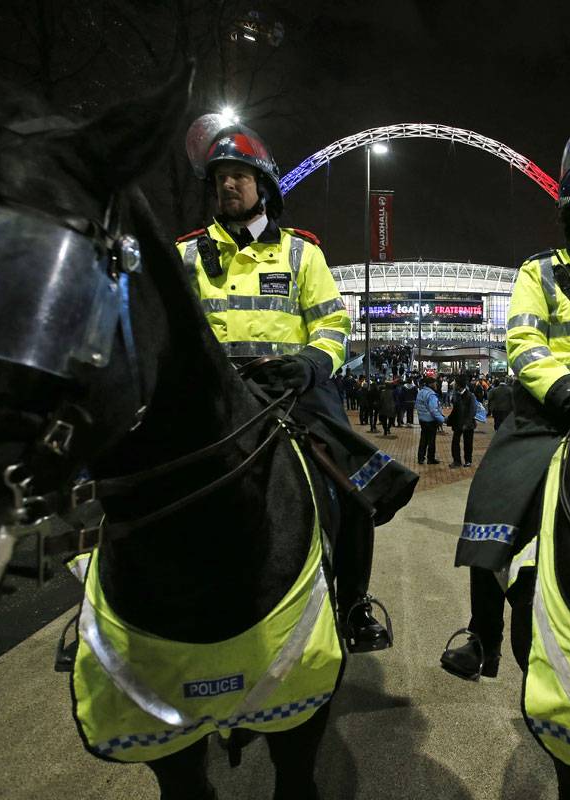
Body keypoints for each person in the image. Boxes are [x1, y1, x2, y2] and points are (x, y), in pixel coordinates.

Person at [177, 114, 417, 652]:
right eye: (220, 178)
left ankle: (355, 605)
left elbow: (333, 323)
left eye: (239, 175)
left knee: (354, 487)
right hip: (213, 400)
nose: (229, 185)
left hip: (291, 394)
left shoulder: (302, 252)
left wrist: (310, 364)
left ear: (263, 184)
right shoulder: (187, 253)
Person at [442, 125, 570, 680]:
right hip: (550, 413)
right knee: (491, 498)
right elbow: (524, 342)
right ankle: (483, 636)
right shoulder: (538, 270)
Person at [449, 375, 478, 468]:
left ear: (458, 384)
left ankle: (468, 460)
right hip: (457, 423)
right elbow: (455, 409)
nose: (453, 385)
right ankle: (457, 461)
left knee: (468, 443)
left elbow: (472, 411)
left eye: (455, 383)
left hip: (467, 424)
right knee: (455, 442)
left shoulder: (470, 396)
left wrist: (467, 423)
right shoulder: (456, 394)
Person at [416, 376, 445, 465]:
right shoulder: (431, 395)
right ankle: (430, 459)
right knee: (431, 440)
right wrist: (442, 419)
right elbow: (434, 410)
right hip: (431, 421)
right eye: (435, 383)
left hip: (422, 420)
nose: (436, 385)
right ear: (431, 384)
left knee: (423, 439)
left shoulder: (420, 392)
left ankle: (421, 458)